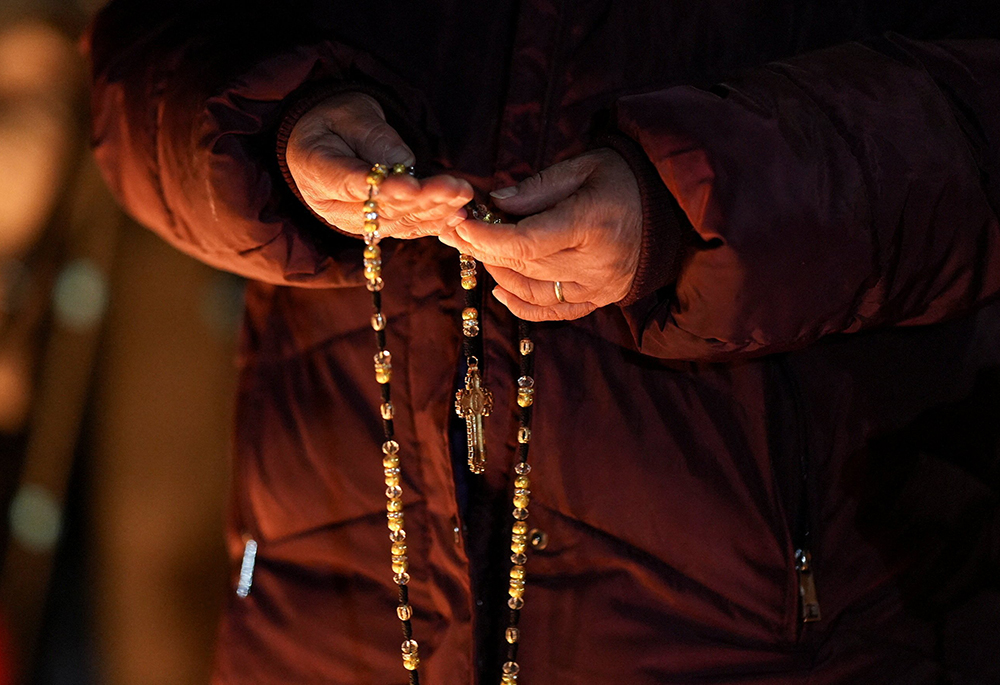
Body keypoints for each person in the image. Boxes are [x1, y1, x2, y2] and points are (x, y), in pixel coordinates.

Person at [88, 1, 1000, 683]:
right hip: (328, 611)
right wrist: (271, 133)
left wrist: (704, 203)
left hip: (781, 624)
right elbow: (147, 61)